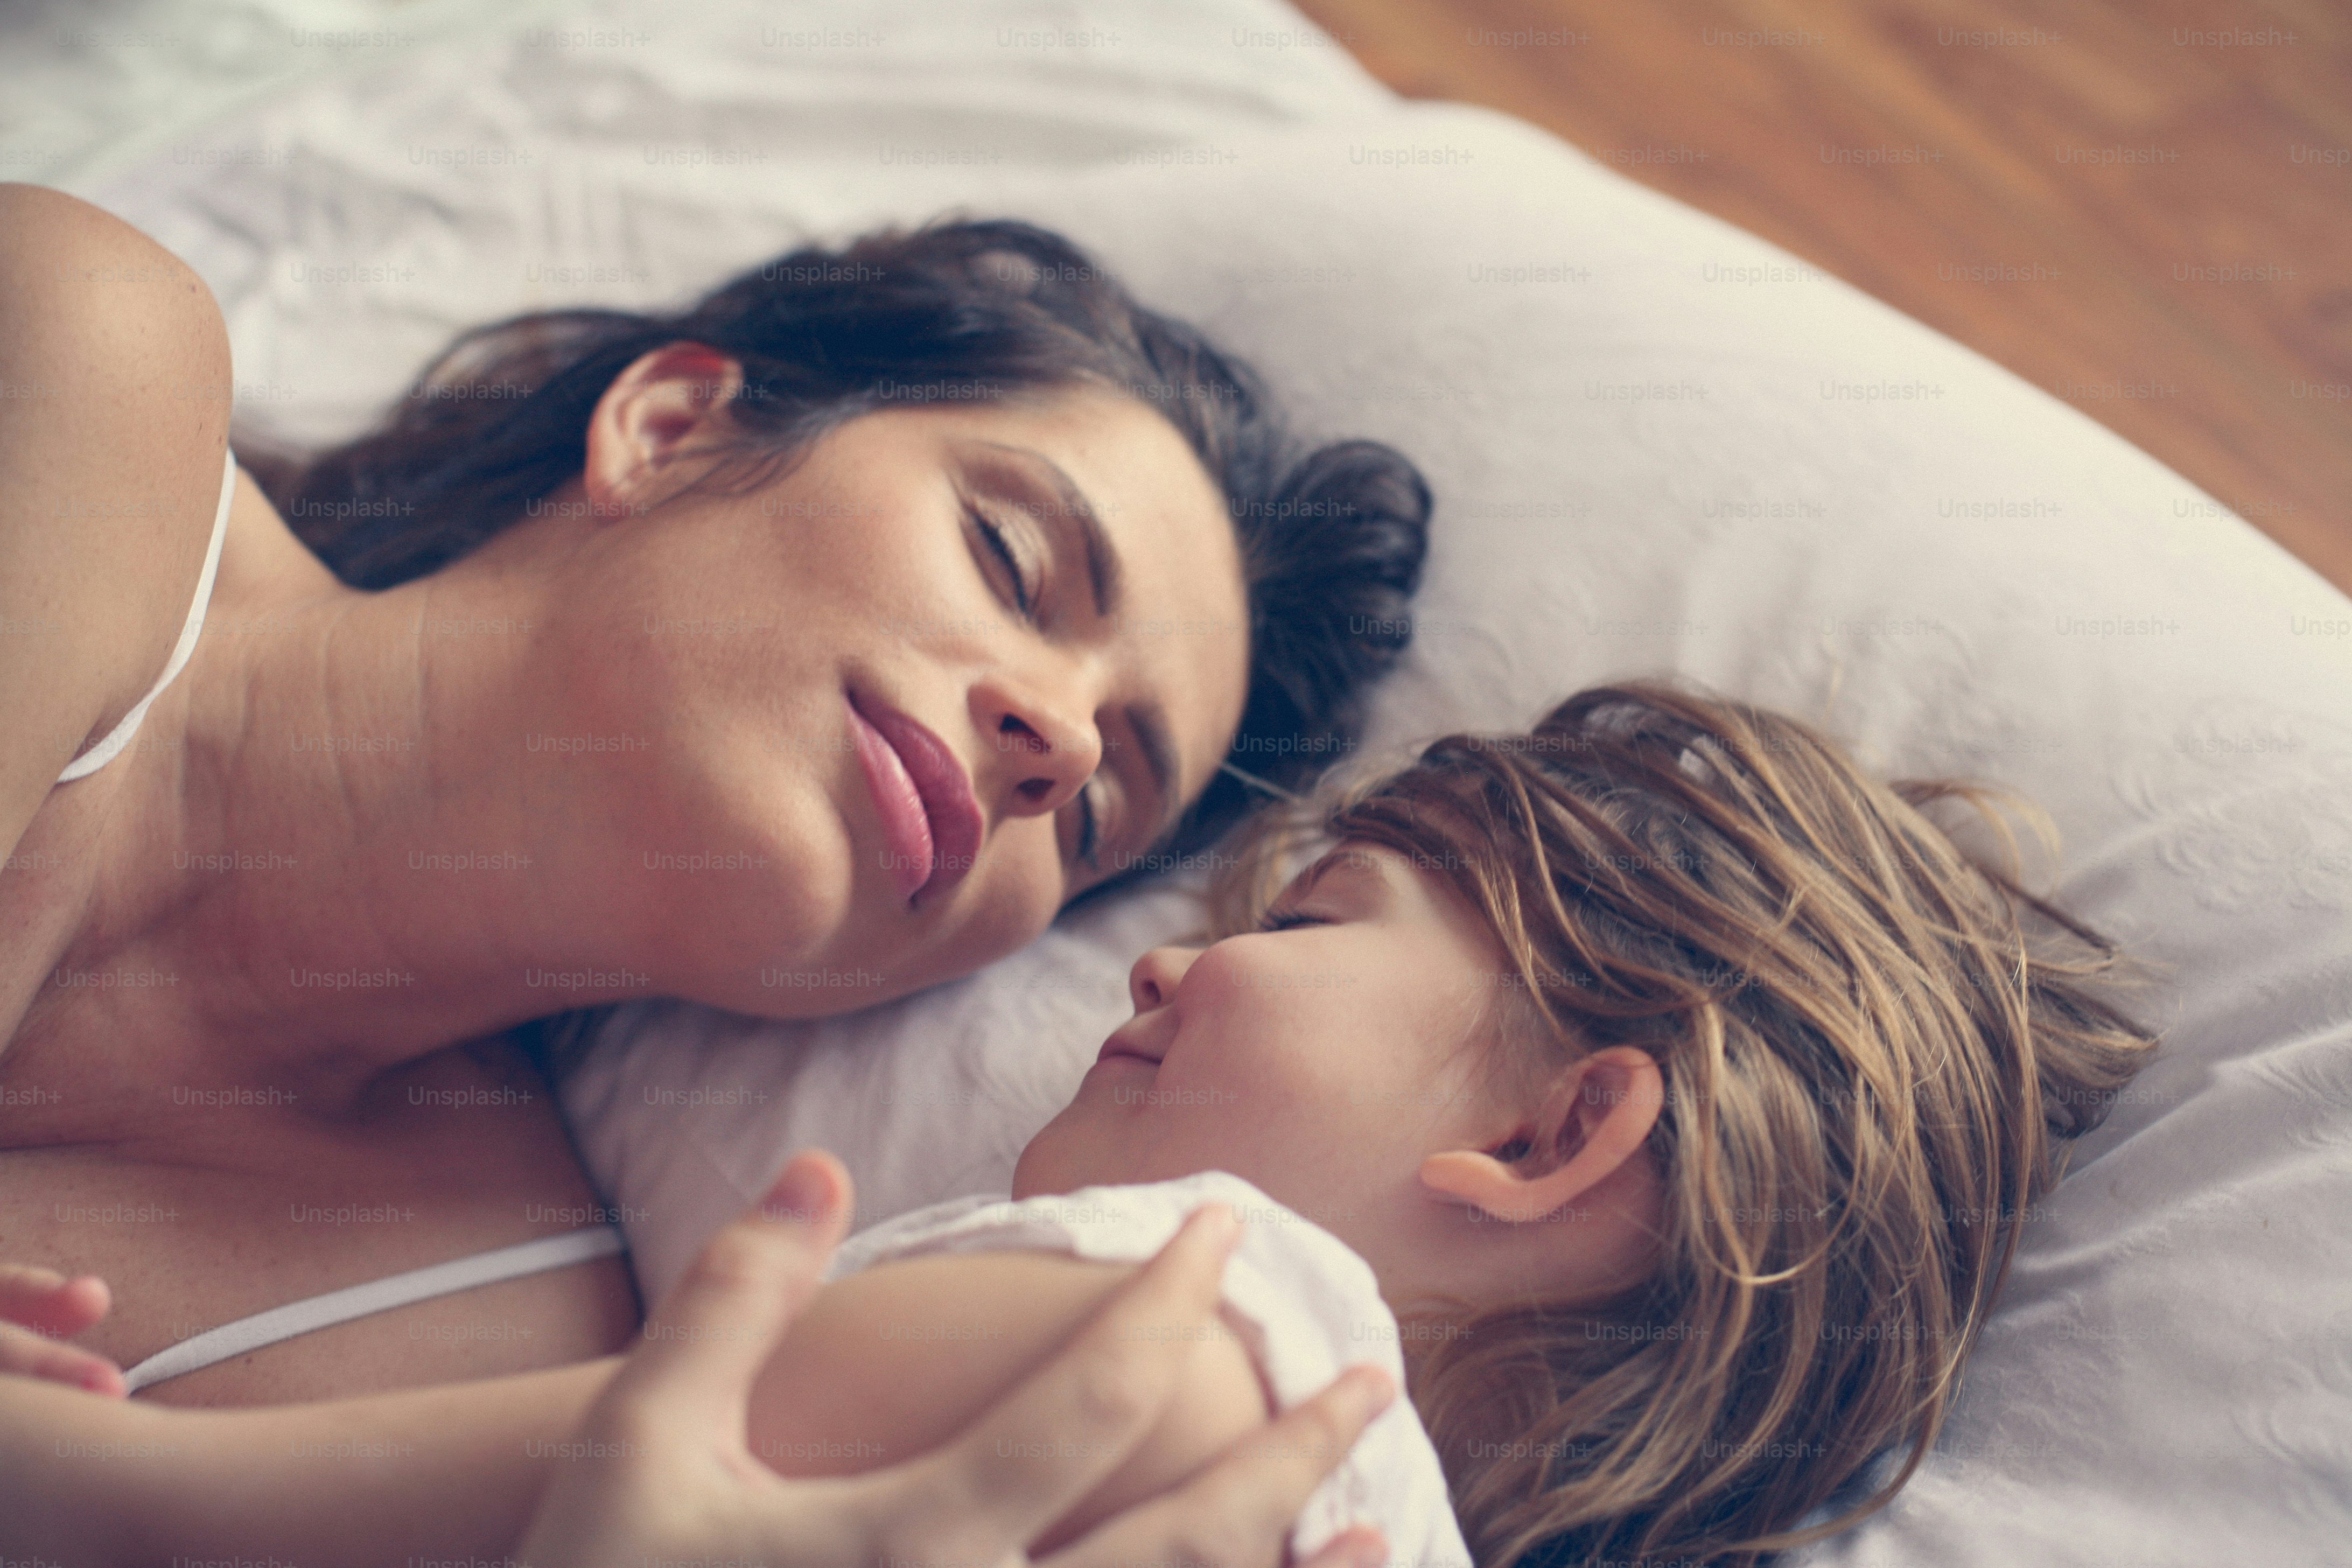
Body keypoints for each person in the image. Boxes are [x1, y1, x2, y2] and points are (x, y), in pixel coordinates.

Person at [4, 684, 2161, 1567]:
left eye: (1315, 916)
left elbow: (257, 1503)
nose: (1151, 963)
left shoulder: (1178, 1322)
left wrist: (77, 1452)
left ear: (1554, 1130)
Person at [0, 180, 1428, 1408]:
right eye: (1008, 555)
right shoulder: (82, 358)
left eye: (1095, 814)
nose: (1056, 738)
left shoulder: (476, 1347)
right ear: (670, 426)